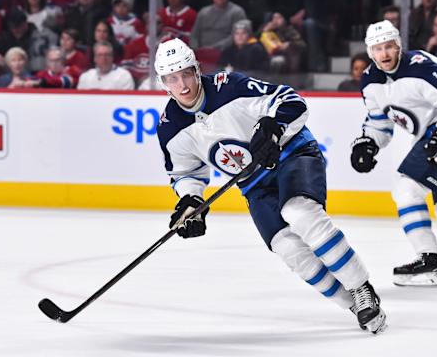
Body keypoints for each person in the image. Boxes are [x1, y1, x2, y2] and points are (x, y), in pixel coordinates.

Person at [154, 38, 387, 334]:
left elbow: (291, 101)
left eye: (186, 73)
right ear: (163, 82)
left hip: (292, 153)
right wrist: (190, 202)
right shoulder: (169, 127)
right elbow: (186, 172)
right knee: (286, 247)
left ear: (197, 69)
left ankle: (361, 287)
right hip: (253, 183)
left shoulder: (229, 86)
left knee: (299, 212)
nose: (183, 85)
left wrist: (273, 126)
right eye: (173, 79)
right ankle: (353, 304)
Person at [350, 20, 437, 286]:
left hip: (434, 134)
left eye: (389, 46)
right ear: (370, 52)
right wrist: (368, 143)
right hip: (429, 137)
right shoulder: (370, 80)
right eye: (378, 49)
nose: (385, 54)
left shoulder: (422, 67)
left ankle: (431, 260)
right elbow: (380, 123)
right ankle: (432, 262)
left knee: (406, 189)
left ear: (399, 46)